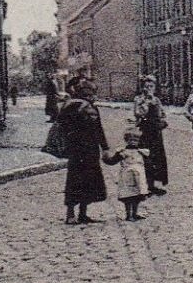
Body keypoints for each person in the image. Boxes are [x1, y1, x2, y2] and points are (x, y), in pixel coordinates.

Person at [57, 75, 109, 225]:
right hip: (79, 150)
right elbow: (63, 125)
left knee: (88, 181)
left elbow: (99, 130)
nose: (93, 97)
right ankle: (71, 214)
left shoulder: (92, 108)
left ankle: (82, 214)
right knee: (76, 181)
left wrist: (104, 148)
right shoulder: (72, 106)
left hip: (88, 150)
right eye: (90, 94)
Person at [132, 75, 170, 194]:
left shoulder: (156, 100)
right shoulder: (139, 100)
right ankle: (145, 185)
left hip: (156, 133)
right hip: (145, 132)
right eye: (147, 86)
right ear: (143, 87)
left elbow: (163, 114)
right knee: (145, 158)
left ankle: (153, 185)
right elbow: (138, 113)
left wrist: (162, 121)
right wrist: (145, 103)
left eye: (151, 86)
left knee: (157, 158)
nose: (149, 88)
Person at [104, 127, 151, 220]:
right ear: (126, 140)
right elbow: (113, 161)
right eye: (131, 140)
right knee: (128, 195)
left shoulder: (141, 152)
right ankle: (128, 215)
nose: (133, 142)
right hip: (127, 176)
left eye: (136, 140)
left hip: (139, 176)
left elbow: (149, 163)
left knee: (138, 195)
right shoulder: (123, 152)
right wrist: (106, 158)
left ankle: (134, 213)